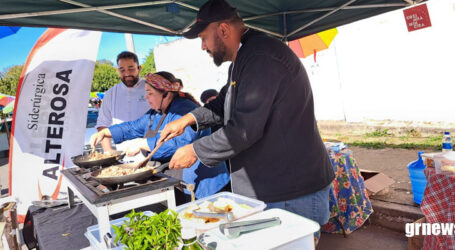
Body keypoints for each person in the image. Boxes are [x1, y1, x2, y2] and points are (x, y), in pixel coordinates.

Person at [159, 0, 335, 228]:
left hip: (291, 190)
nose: (203, 47)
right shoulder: (244, 58)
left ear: (223, 29)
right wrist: (187, 119)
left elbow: (243, 131)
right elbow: (223, 103)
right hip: (274, 186)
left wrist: (194, 150)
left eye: (203, 37)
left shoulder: (261, 57)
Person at [90, 71, 230, 202]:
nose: (146, 97)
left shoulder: (185, 109)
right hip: (175, 178)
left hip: (203, 185)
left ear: (166, 94)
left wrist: (143, 144)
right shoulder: (155, 113)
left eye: (150, 93)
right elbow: (133, 126)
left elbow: (179, 143)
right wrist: (106, 132)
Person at [95, 51, 150, 157]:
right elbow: (103, 124)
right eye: (122, 70)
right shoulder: (110, 93)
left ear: (139, 68)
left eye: (131, 68)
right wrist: (108, 152)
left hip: (150, 153)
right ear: (117, 71)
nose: (127, 74)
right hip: (122, 155)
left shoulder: (150, 88)